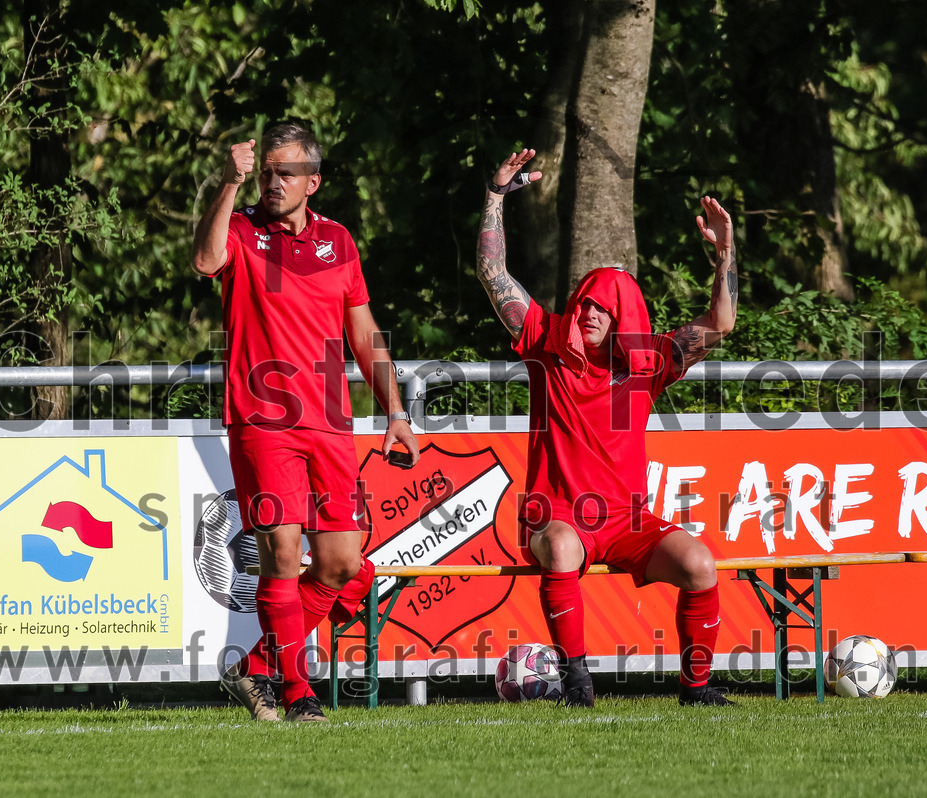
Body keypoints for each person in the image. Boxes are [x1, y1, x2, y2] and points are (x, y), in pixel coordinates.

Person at [475, 148, 738, 707]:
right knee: (565, 548)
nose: (590, 312)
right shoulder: (549, 345)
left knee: (700, 563)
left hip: (626, 521)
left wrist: (724, 257)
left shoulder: (649, 361)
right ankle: (576, 679)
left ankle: (696, 688)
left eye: (604, 307)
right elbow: (493, 274)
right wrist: (496, 197)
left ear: (625, 317)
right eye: (585, 302)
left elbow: (722, 322)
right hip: (557, 517)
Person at [192, 123, 419, 722]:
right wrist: (227, 182)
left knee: (343, 564)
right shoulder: (242, 229)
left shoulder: (339, 241)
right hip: (261, 418)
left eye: (284, 173)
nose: (272, 182)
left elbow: (364, 334)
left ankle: (258, 667)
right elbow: (205, 259)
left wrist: (396, 411)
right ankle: (298, 693)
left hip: (329, 424)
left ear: (312, 182)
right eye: (266, 171)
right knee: (283, 554)